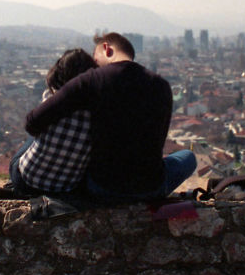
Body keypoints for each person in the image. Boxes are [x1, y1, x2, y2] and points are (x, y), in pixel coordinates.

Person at [25, 32, 196, 203]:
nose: (95, 64)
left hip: (102, 188)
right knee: (188, 157)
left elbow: (33, 121)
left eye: (95, 57)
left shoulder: (92, 80)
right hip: (151, 188)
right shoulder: (162, 85)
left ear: (106, 49)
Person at [8, 48, 97, 195]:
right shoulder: (96, 111)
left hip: (26, 182)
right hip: (66, 189)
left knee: (34, 136)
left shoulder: (50, 99)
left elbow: (32, 126)